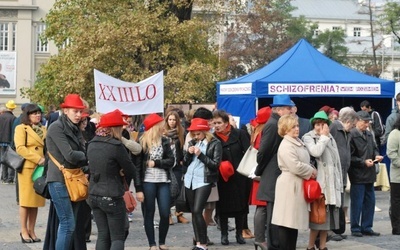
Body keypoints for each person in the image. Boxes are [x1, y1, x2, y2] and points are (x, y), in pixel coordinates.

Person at [87, 110, 142, 249]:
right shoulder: (116, 146)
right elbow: (131, 169)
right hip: (111, 194)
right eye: (120, 126)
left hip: (93, 194)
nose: (122, 129)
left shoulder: (92, 143)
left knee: (103, 235)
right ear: (115, 128)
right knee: (118, 237)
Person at [45, 94, 88, 250]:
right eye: (74, 111)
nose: (78, 115)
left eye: (80, 112)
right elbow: (69, 154)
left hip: (73, 179)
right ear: (65, 110)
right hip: (58, 180)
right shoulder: (56, 127)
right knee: (67, 224)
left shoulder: (74, 127)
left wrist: (84, 156)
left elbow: (79, 152)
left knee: (71, 224)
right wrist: (87, 156)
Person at [272, 114, 317, 250]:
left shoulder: (297, 142)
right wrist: (311, 171)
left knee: (293, 222)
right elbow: (294, 166)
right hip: (289, 185)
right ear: (285, 129)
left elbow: (304, 162)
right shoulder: (286, 145)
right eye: (293, 127)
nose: (297, 129)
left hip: (297, 184)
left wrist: (311, 169)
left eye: (297, 126)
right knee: (287, 222)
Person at [255, 94, 294, 250]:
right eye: (288, 108)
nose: (291, 110)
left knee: (277, 215)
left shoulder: (277, 122)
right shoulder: (272, 124)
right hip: (272, 175)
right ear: (278, 109)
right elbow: (262, 152)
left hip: (275, 174)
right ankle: (274, 246)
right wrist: (261, 169)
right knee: (273, 216)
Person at [303, 111, 343, 250]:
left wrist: (340, 182)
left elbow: (337, 161)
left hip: (332, 183)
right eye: (318, 124)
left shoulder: (330, 137)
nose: (320, 127)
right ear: (314, 125)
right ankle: (310, 246)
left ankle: (323, 245)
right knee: (317, 218)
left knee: (328, 219)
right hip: (319, 184)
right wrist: (323, 138)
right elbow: (315, 152)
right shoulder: (309, 137)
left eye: (323, 124)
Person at [183, 118, 222, 250]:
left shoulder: (215, 143)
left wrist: (200, 155)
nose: (196, 136)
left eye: (198, 133)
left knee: (198, 210)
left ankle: (203, 244)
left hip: (204, 180)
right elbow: (185, 162)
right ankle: (198, 242)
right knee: (194, 212)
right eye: (194, 133)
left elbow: (215, 165)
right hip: (189, 179)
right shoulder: (193, 142)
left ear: (206, 131)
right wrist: (188, 154)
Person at [213, 109, 251, 246]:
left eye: (219, 123)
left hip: (240, 176)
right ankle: (224, 234)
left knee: (241, 206)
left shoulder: (240, 134)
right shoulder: (213, 138)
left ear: (226, 123)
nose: (216, 125)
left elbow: (248, 153)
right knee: (223, 207)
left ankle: (239, 233)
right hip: (223, 177)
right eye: (214, 123)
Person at [138, 113, 175, 250]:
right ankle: (152, 244)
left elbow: (171, 161)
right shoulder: (142, 142)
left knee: (165, 212)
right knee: (149, 212)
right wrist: (138, 188)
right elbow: (137, 166)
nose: (163, 127)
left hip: (163, 180)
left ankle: (162, 242)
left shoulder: (165, 141)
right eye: (160, 125)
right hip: (147, 181)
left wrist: (156, 163)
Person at [14, 104, 47, 243]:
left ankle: (32, 230)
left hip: (41, 169)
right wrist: (38, 158)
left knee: (35, 202)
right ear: (27, 115)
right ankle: (23, 230)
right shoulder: (21, 128)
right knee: (26, 201)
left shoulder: (44, 129)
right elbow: (20, 148)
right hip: (28, 168)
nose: (37, 115)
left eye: (39, 113)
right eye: (34, 113)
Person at [349, 110, 384, 237]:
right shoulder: (352, 135)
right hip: (357, 174)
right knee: (357, 203)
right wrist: (362, 162)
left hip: (369, 174)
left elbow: (374, 148)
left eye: (368, 122)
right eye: (365, 122)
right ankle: (355, 228)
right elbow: (350, 156)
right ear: (357, 121)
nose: (367, 125)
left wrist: (377, 155)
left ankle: (367, 226)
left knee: (370, 202)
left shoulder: (369, 134)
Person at [328, 106, 359, 242]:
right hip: (334, 173)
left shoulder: (347, 132)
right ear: (347, 121)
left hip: (342, 172)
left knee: (339, 203)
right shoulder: (335, 127)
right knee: (333, 203)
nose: (353, 127)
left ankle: (336, 229)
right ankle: (330, 230)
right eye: (352, 124)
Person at [249, 106, 271, 250]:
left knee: (261, 207)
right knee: (262, 208)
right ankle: (260, 238)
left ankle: (259, 238)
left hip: (258, 173)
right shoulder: (263, 133)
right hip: (262, 173)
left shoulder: (256, 131)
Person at [163, 110, 189, 225]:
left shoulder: (182, 132)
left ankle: (179, 214)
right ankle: (167, 214)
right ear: (167, 120)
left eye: (174, 120)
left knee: (178, 190)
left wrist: (183, 160)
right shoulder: (163, 133)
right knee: (168, 191)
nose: (172, 122)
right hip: (166, 165)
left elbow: (184, 148)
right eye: (170, 119)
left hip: (178, 165)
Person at [386, 115, 400, 235]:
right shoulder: (395, 134)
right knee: (396, 202)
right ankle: (397, 227)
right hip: (398, 176)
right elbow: (391, 153)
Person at [0, 100, 17, 184]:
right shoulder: (13, 118)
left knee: (3, 159)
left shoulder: (1, 117)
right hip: (10, 141)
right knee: (11, 160)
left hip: (1, 141)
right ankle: (10, 178)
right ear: (13, 109)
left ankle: (4, 177)